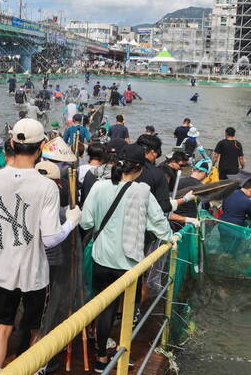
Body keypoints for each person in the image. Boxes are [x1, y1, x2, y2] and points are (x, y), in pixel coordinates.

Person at [0, 119, 80, 375]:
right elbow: (50, 238)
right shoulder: (46, 186)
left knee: (2, 327)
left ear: (12, 143)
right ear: (42, 146)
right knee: (35, 329)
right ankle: (36, 370)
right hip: (34, 273)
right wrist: (71, 223)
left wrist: (6, 237)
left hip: (0, 269)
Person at [81, 144, 175, 372]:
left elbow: (86, 222)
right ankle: (124, 355)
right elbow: (161, 227)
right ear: (140, 168)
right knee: (128, 312)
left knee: (105, 309)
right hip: (130, 264)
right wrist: (172, 238)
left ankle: (101, 358)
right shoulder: (143, 191)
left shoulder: (99, 187)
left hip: (102, 259)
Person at [170, 159, 210, 231]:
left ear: (192, 170)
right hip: (190, 224)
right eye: (206, 175)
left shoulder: (177, 182)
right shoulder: (202, 188)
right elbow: (206, 208)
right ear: (204, 173)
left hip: (173, 220)